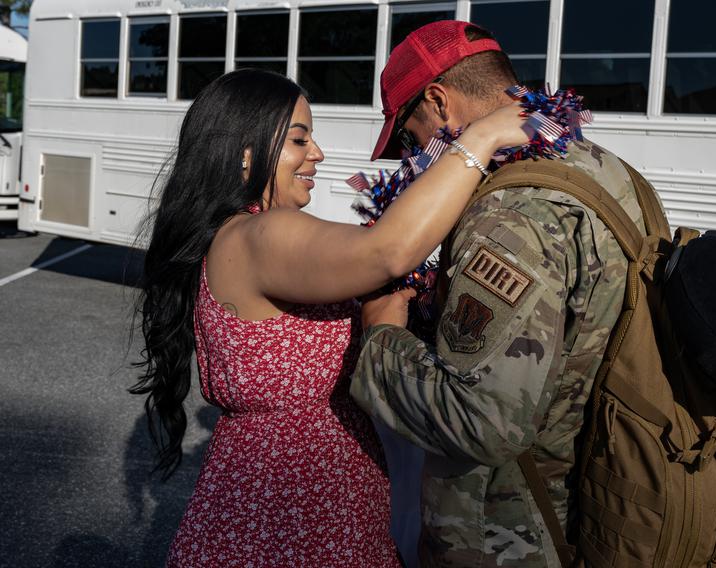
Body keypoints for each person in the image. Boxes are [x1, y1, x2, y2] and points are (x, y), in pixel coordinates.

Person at [130, 68, 529, 566]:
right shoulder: (259, 236)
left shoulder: (241, 233)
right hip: (289, 512)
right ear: (246, 152)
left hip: (307, 500)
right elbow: (389, 252)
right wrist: (483, 135)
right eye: (300, 139)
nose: (317, 153)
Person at [350, 21, 657, 567]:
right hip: (592, 504)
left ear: (440, 103)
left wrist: (381, 336)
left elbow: (484, 421)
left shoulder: (508, 217)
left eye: (408, 133)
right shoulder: (607, 169)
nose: (410, 154)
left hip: (511, 535)